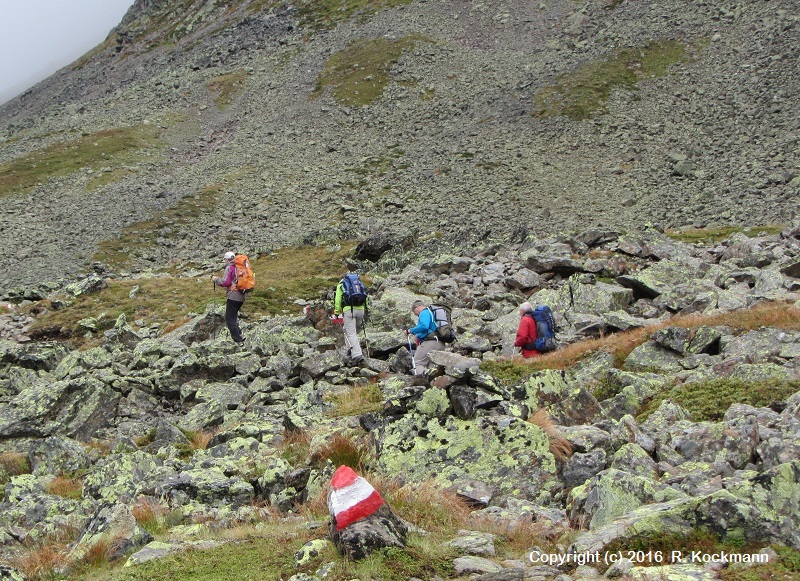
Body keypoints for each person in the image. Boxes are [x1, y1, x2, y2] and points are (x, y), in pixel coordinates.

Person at [333, 273, 368, 366]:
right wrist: (365, 308)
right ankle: (350, 349)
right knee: (347, 329)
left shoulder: (341, 285)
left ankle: (357, 355)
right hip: (361, 310)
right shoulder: (358, 283)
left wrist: (336, 312)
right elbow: (365, 295)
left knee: (351, 333)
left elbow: (338, 300)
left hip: (349, 311)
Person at [212, 251, 246, 344]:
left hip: (233, 295)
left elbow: (225, 282)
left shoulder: (230, 268)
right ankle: (239, 335)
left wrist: (215, 279)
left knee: (229, 318)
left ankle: (238, 339)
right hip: (241, 295)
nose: (224, 261)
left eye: (225, 259)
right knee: (233, 316)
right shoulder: (240, 267)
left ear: (227, 259)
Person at [407, 300, 445, 375]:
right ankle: (432, 384)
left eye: (414, 311)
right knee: (431, 365)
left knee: (417, 362)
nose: (415, 314)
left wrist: (410, 331)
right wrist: (419, 336)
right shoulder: (432, 313)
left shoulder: (424, 312)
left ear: (417, 308)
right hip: (440, 343)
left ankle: (421, 383)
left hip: (431, 342)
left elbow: (424, 326)